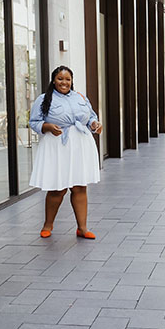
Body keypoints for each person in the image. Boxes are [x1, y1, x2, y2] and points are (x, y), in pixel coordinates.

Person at [29, 65, 102, 239]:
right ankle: (48, 225)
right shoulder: (43, 99)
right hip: (57, 147)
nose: (64, 82)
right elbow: (34, 122)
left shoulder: (80, 97)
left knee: (79, 187)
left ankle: (82, 228)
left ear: (72, 81)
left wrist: (94, 124)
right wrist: (46, 126)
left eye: (67, 79)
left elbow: (91, 116)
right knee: (57, 188)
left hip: (80, 146)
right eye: (60, 79)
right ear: (54, 80)